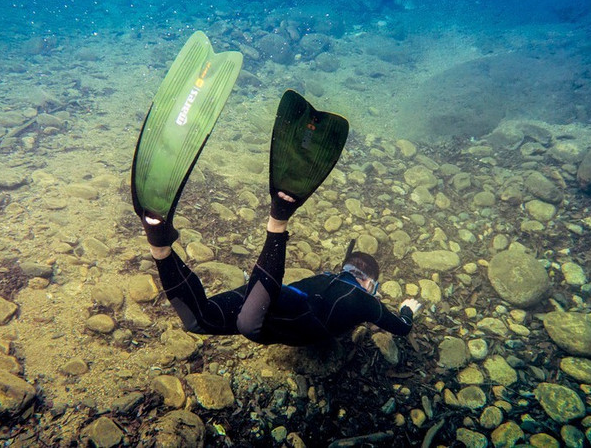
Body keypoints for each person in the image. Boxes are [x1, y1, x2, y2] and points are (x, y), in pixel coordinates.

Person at [131, 32, 421, 347]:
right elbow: (401, 328)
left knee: (201, 318)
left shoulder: (327, 278)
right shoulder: (366, 301)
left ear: (347, 270)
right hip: (274, 312)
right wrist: (406, 311)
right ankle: (277, 219)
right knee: (243, 322)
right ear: (368, 284)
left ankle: (159, 245)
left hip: (272, 298)